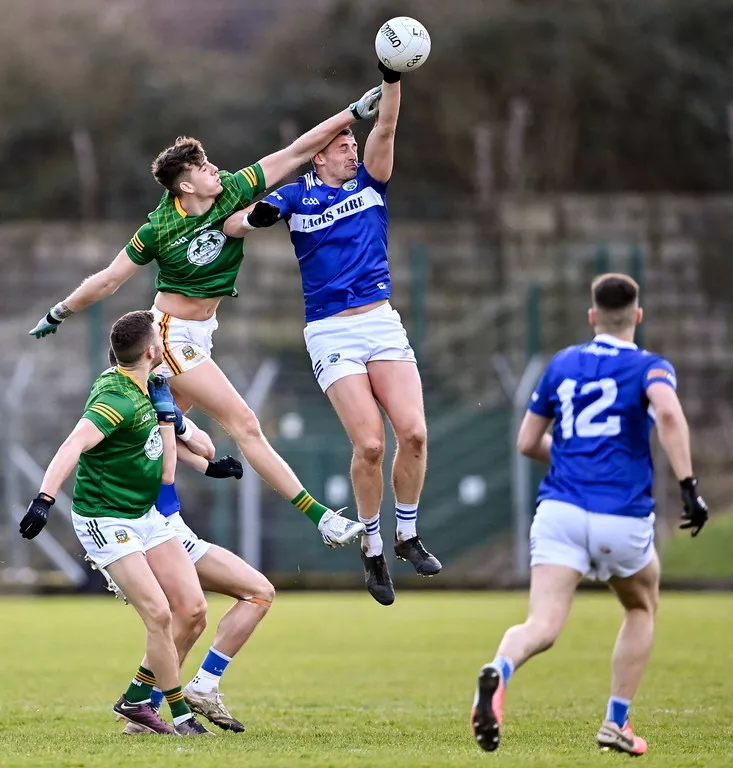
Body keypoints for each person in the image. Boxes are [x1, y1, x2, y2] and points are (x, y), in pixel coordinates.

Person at [27, 86, 387, 550]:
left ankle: (131, 529)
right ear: (185, 186)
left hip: (200, 334)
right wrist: (60, 310)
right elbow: (109, 281)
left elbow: (296, 151)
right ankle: (322, 519)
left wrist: (352, 113)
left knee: (161, 437)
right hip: (169, 337)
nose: (215, 169)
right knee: (245, 424)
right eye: (203, 167)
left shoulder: (232, 189)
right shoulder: (159, 228)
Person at [223, 61, 440, 606]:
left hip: (381, 321)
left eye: (351, 143)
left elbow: (386, 128)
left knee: (413, 434)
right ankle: (371, 548)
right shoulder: (298, 195)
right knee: (369, 444)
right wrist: (261, 217)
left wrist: (392, 78)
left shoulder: (371, 183)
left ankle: (406, 534)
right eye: (342, 143)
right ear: (319, 155)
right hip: (331, 332)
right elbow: (232, 224)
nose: (351, 149)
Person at [470, 274, 709, 755]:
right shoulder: (650, 367)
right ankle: (616, 722)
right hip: (621, 514)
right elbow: (667, 413)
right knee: (641, 605)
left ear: (591, 317)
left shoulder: (563, 363)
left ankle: (499, 669)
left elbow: (526, 442)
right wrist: (688, 486)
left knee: (542, 625)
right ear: (637, 317)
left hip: (560, 510)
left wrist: (572, 456)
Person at [19, 310, 213, 735]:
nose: (164, 343)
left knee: (194, 610)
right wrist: (44, 499)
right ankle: (181, 716)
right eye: (159, 339)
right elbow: (74, 443)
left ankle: (134, 700)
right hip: (106, 520)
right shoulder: (116, 398)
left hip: (146, 513)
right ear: (150, 351)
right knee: (160, 615)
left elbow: (173, 445)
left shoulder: (148, 384)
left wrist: (204, 462)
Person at [96, 348, 274, 735]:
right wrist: (190, 437)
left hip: (170, 528)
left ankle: (153, 702)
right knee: (194, 612)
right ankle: (159, 699)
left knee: (238, 600)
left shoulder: (150, 410)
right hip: (152, 531)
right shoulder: (142, 409)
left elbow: (195, 451)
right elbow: (193, 449)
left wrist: (206, 463)